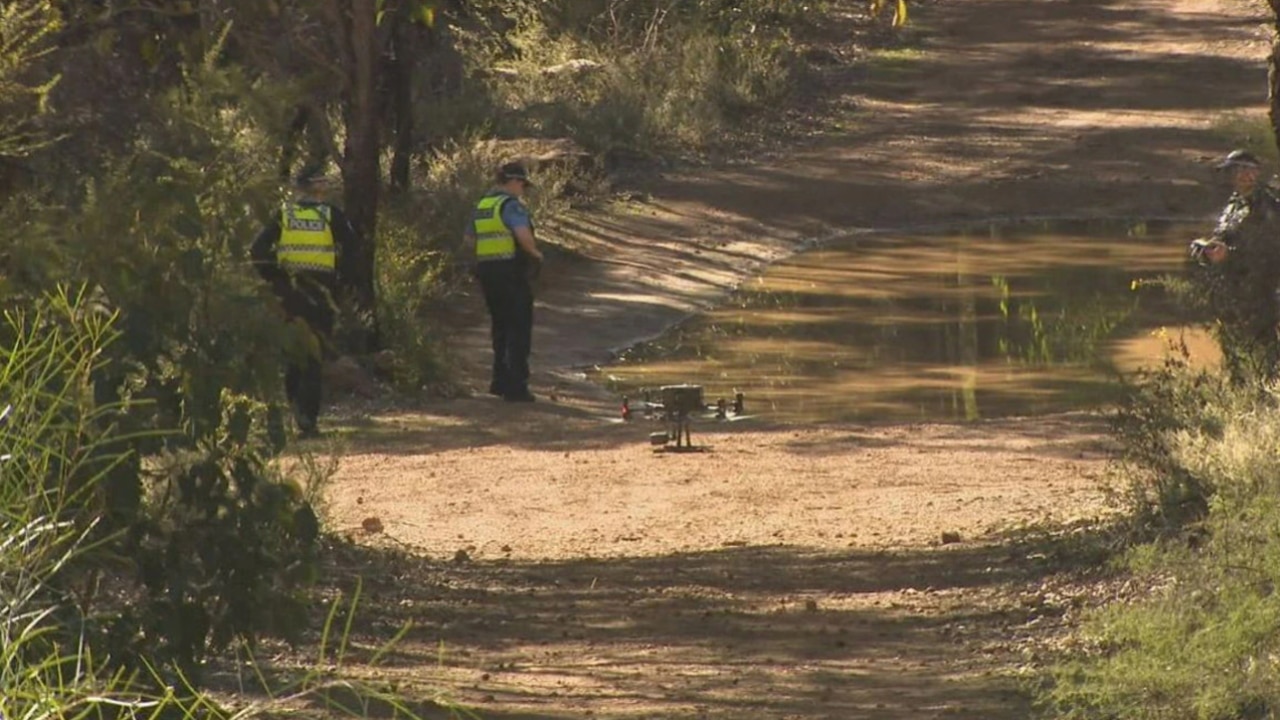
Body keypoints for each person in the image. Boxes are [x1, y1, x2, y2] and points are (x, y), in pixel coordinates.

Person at [251, 166, 359, 436]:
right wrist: (340, 283)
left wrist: (276, 278)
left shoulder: (284, 215)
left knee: (293, 354)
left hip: (289, 292)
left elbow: (257, 250)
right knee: (314, 355)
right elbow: (353, 250)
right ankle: (307, 421)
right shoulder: (330, 215)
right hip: (320, 292)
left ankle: (296, 412)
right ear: (318, 186)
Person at [1188, 149, 1280, 382]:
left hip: (1260, 291)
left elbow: (1268, 252)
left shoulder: (1267, 206)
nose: (1240, 175)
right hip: (1234, 290)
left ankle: (1266, 398)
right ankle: (1242, 391)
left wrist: (1231, 255)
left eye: (1246, 169)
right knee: (1234, 349)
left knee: (1263, 350)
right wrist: (1206, 248)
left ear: (1256, 173)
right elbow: (1225, 237)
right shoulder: (1234, 204)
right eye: (1235, 170)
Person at [463, 162, 544, 402]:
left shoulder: (482, 206)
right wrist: (537, 255)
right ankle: (516, 386)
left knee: (499, 327)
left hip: (487, 272)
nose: (523, 190)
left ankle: (498, 381)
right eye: (522, 184)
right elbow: (523, 236)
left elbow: (468, 240)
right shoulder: (511, 206)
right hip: (511, 272)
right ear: (512, 181)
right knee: (518, 328)